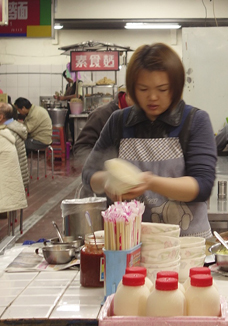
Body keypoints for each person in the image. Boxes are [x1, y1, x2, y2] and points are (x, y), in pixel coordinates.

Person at [83, 42, 217, 235]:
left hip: (186, 242)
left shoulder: (194, 121)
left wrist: (150, 182)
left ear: (176, 87)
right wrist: (107, 181)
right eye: (143, 89)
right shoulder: (119, 121)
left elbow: (202, 186)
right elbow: (88, 175)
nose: (153, 97)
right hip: (130, 242)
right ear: (132, 89)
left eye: (162, 89)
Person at [72, 98, 119, 193]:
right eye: (143, 89)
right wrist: (100, 169)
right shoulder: (102, 115)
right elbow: (81, 147)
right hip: (102, 189)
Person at [0, 101, 29, 191]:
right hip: (19, 176)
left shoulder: (7, 132)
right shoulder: (15, 127)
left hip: (13, 180)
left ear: (0, 117)